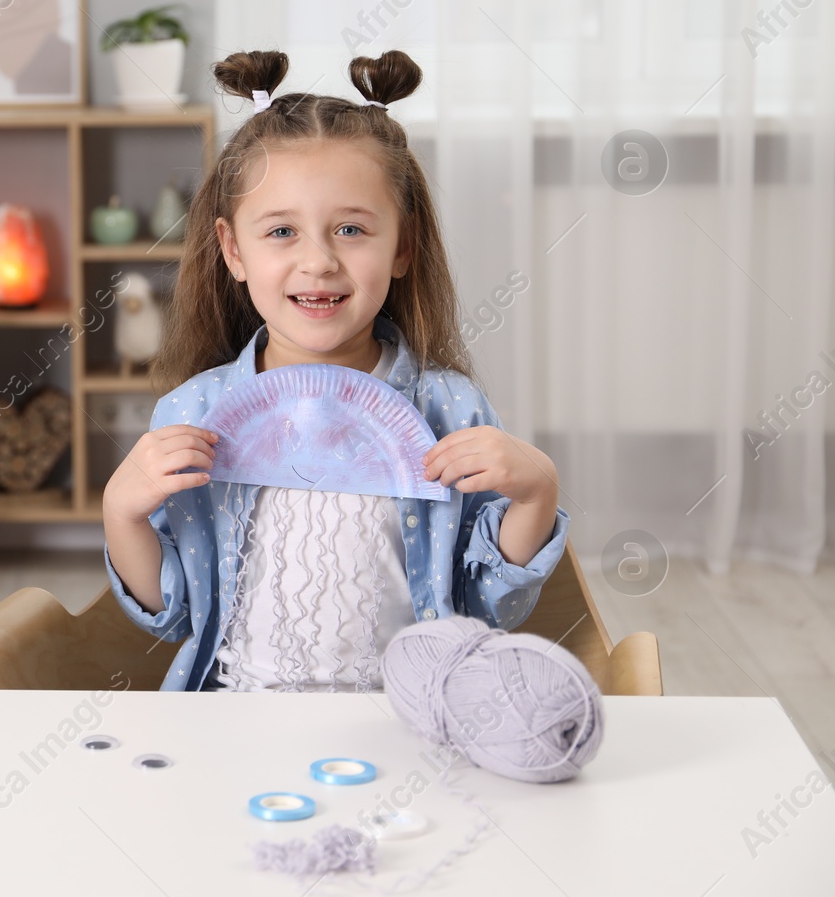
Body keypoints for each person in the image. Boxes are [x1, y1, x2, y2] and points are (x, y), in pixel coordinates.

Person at [103, 49, 568, 693]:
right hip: (235, 721)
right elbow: (174, 615)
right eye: (282, 232)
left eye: (351, 228)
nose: (318, 261)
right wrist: (120, 512)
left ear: (402, 246)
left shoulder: (451, 410)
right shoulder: (192, 412)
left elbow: (488, 606)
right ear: (233, 249)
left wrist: (537, 490)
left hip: (409, 720)